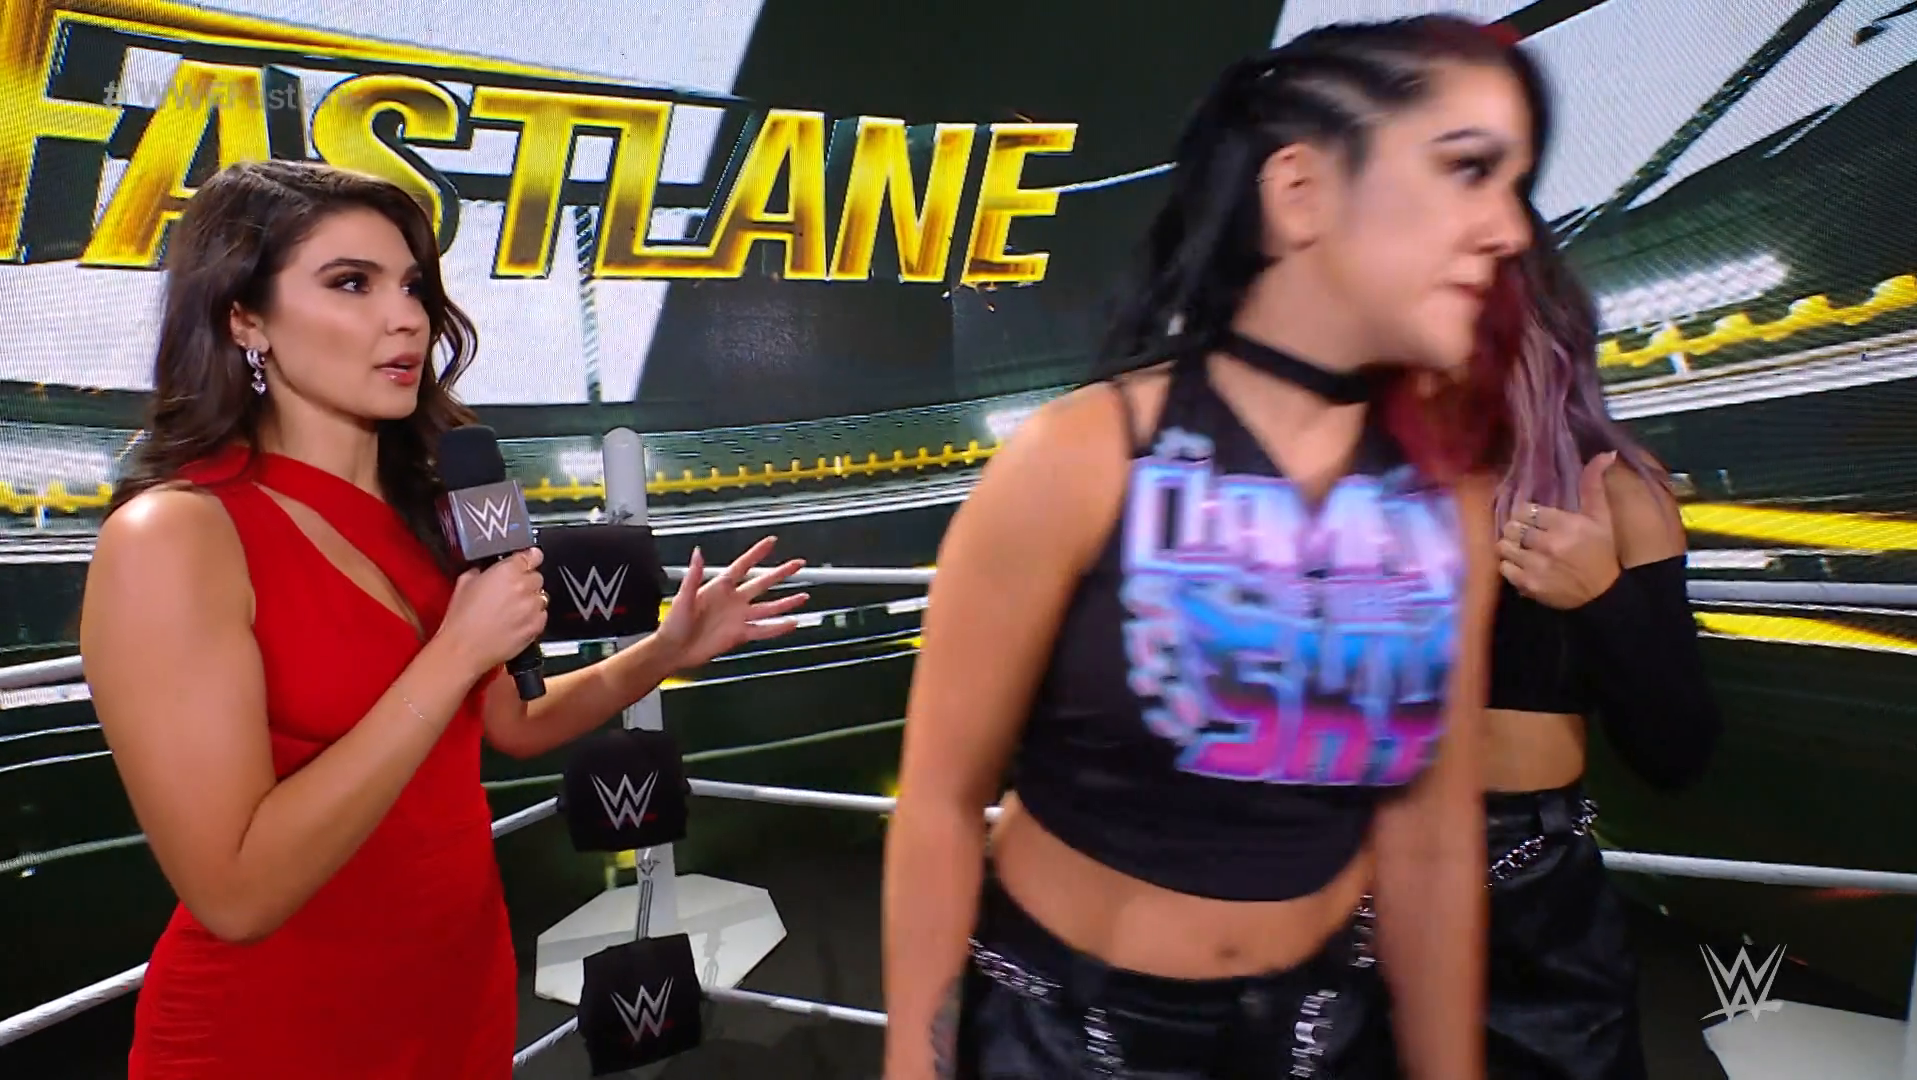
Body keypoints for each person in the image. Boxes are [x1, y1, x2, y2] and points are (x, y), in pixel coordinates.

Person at [882, 15, 1551, 1080]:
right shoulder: (1079, 459)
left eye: (1515, 184)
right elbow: (940, 805)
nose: (1510, 229)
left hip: (1316, 1036)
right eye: (1467, 169)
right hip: (1058, 1040)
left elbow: (1427, 837)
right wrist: (915, 1066)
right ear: (1302, 190)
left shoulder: (1446, 507)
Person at [80, 159, 810, 1079]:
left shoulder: (430, 513)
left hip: (457, 995)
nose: (407, 319)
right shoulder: (175, 536)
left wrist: (666, 649)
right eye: (352, 283)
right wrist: (455, 651)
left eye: (413, 286)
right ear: (244, 318)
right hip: (277, 1034)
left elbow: (513, 722)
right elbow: (236, 894)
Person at [1481, 220, 1721, 1079]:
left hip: (1526, 891)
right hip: (1344, 877)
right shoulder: (1349, 478)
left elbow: (1676, 751)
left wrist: (1603, 600)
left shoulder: (1611, 490)